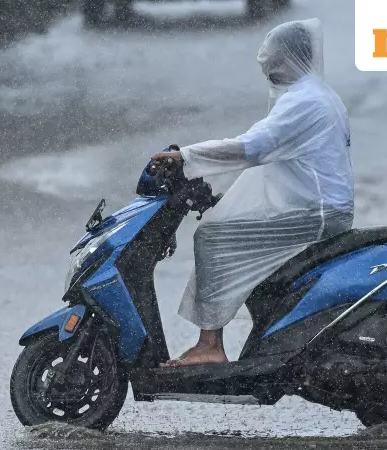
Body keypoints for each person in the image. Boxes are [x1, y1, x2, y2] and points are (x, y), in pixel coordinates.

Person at [151, 18, 354, 368]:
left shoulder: (305, 101)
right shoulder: (317, 95)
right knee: (226, 225)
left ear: (292, 60)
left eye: (274, 66)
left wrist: (185, 157)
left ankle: (210, 345)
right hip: (316, 205)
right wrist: (217, 193)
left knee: (213, 236)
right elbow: (277, 162)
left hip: (316, 212)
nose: (269, 74)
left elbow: (251, 148)